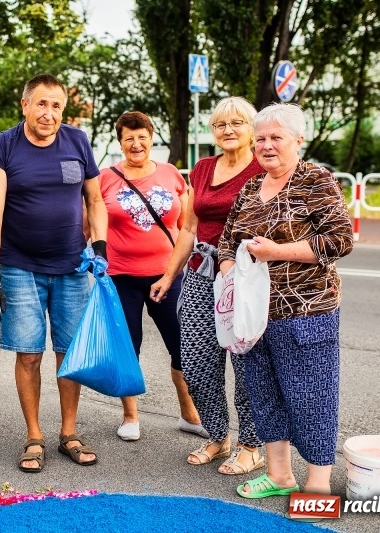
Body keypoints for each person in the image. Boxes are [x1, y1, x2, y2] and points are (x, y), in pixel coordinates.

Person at [215, 103, 353, 503]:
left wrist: (278, 251)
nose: (267, 145)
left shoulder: (316, 180)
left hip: (307, 312)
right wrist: (228, 271)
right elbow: (227, 240)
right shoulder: (250, 187)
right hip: (255, 317)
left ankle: (317, 487)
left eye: (276, 137)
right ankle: (279, 475)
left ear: (298, 140)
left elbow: (339, 241)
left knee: (311, 398)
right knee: (265, 394)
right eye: (260, 138)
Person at [0, 73, 108, 473]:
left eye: (56, 105)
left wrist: (99, 246)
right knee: (30, 354)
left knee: (69, 354)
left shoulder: (77, 142)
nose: (49, 113)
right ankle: (34, 435)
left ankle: (68, 432)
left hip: (72, 266)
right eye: (41, 104)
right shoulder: (2, 148)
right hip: (20, 269)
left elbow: (95, 198)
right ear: (25, 105)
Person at [151, 97, 266, 475]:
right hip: (202, 272)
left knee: (247, 363)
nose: (228, 130)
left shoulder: (262, 167)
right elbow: (188, 228)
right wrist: (169, 276)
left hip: (246, 276)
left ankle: (251, 445)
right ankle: (218, 436)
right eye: (220, 124)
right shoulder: (202, 169)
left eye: (237, 123)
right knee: (197, 361)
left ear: (252, 128)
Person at [99, 111, 206, 442]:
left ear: (151, 138)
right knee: (129, 347)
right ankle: (130, 415)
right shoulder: (105, 178)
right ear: (120, 142)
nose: (136, 144)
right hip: (121, 277)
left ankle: (189, 414)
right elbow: (89, 223)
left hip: (168, 275)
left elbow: (188, 225)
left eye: (142, 136)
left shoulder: (171, 174)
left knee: (182, 346)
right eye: (129, 138)